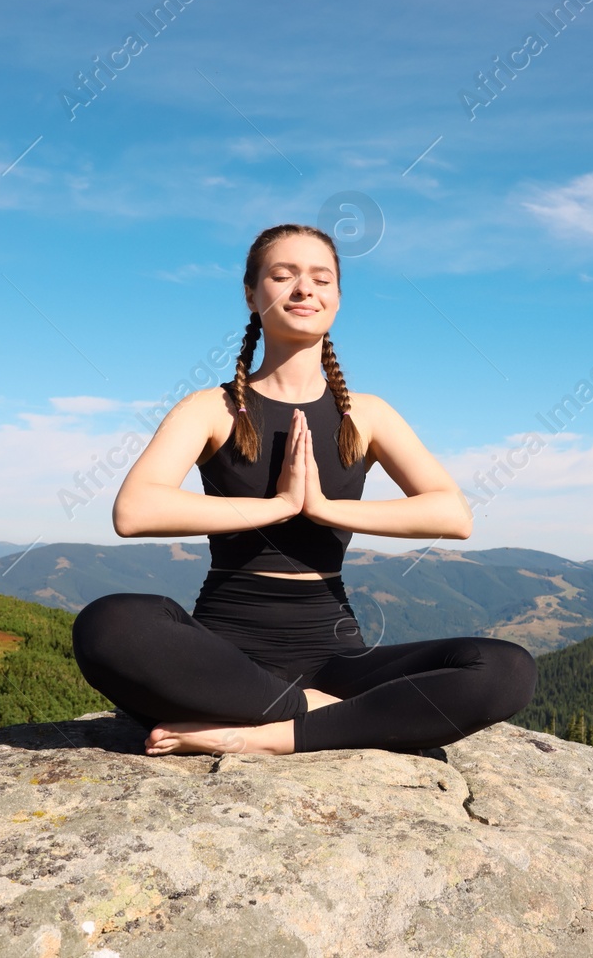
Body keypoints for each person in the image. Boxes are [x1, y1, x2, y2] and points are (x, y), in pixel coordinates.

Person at [71, 223, 537, 757]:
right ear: (251, 293)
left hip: (333, 656)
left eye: (321, 278)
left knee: (506, 669)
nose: (304, 289)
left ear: (337, 297)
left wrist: (320, 507)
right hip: (222, 657)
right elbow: (134, 510)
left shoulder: (365, 414)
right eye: (283, 275)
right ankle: (316, 716)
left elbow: (453, 515)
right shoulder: (211, 408)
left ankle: (269, 735)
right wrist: (278, 506)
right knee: (109, 623)